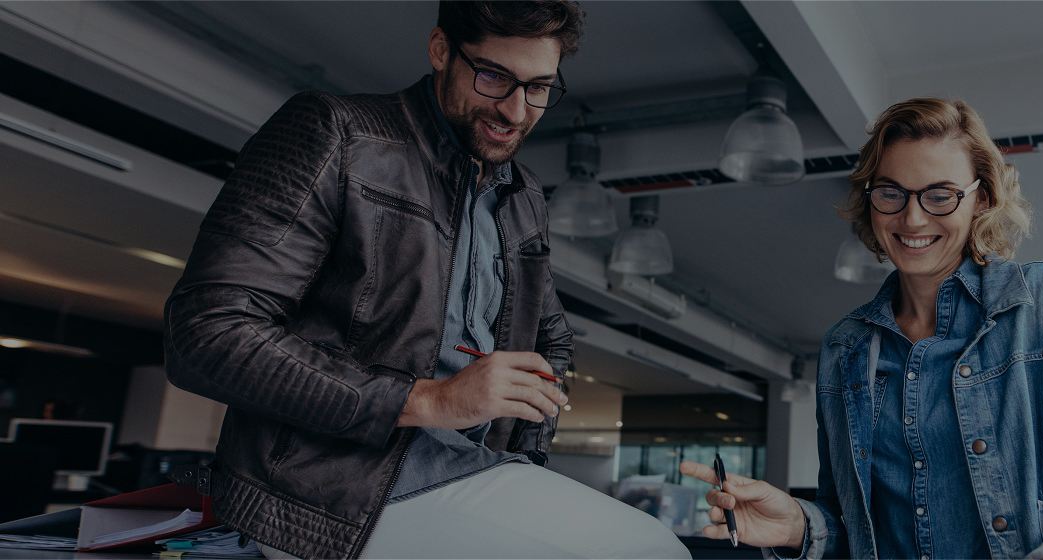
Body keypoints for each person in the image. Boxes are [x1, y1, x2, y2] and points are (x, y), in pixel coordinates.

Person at [163, 3, 687, 558]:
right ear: (441, 50)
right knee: (649, 552)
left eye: (539, 88)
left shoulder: (521, 194)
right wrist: (428, 400)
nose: (515, 110)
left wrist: (528, 456)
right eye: (494, 77)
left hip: (466, 466)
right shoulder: (338, 133)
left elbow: (549, 337)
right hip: (329, 490)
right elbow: (205, 335)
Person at [682, 98, 1043, 559]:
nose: (911, 217)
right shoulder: (845, 348)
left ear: (982, 198)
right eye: (891, 192)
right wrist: (799, 525)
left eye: (940, 195)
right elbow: (858, 527)